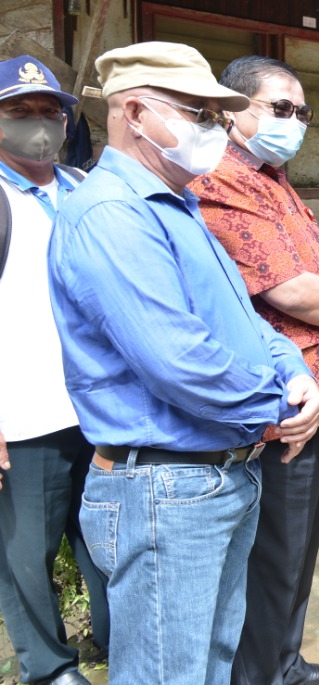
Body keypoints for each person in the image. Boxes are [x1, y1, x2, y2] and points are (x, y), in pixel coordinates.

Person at [47, 41, 319, 685]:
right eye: (198, 112)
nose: (213, 128)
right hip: (164, 487)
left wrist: (294, 375)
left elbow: (242, 320)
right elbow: (180, 361)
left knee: (210, 661)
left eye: (214, 114)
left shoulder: (178, 203)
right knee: (167, 674)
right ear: (136, 112)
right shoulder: (115, 212)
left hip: (213, 478)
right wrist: (277, 410)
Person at [192, 56, 319, 685]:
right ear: (230, 109)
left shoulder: (274, 179)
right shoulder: (222, 178)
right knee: (277, 547)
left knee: (300, 544)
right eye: (281, 108)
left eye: (303, 111)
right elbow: (288, 290)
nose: (296, 121)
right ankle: (262, 671)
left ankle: (284, 660)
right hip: (283, 397)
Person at [0, 57, 108, 685]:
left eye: (50, 113)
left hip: (97, 410)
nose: (39, 126)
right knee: (27, 555)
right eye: (20, 113)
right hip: (25, 417)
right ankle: (48, 668)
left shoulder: (83, 187)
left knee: (102, 540)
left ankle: (112, 637)